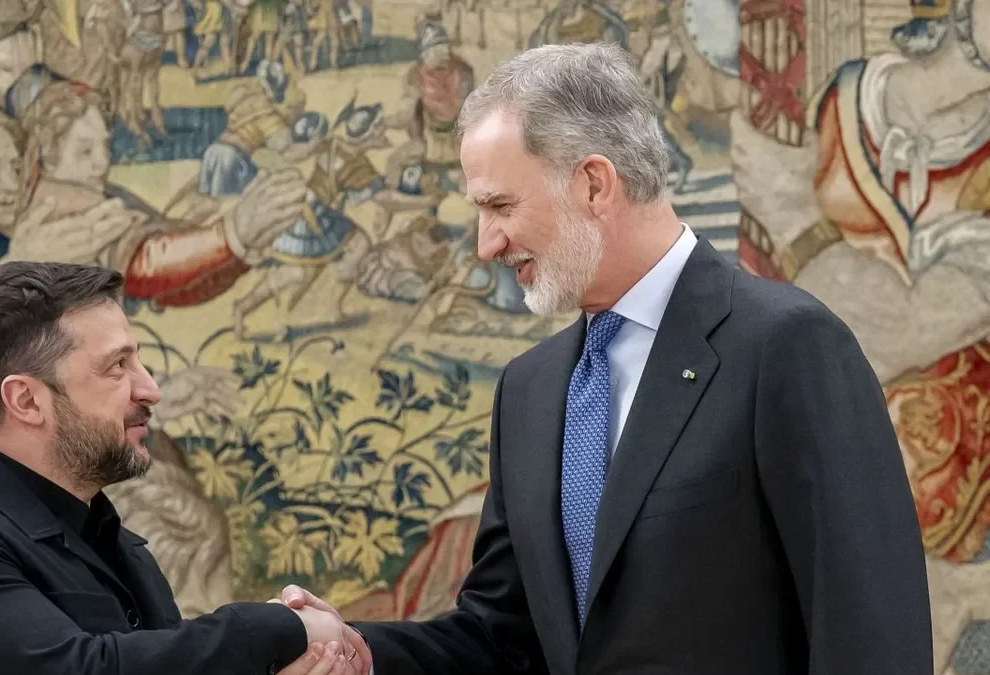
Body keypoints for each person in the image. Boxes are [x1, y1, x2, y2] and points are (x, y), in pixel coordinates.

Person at [277, 42, 933, 674]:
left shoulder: (786, 347)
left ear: (594, 183)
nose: (485, 244)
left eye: (500, 206)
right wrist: (361, 653)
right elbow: (506, 636)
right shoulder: (527, 391)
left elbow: (870, 630)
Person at [0, 261, 373, 675]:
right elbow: (82, 670)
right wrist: (274, 630)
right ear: (26, 399)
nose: (149, 389)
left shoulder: (118, 543)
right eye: (118, 367)